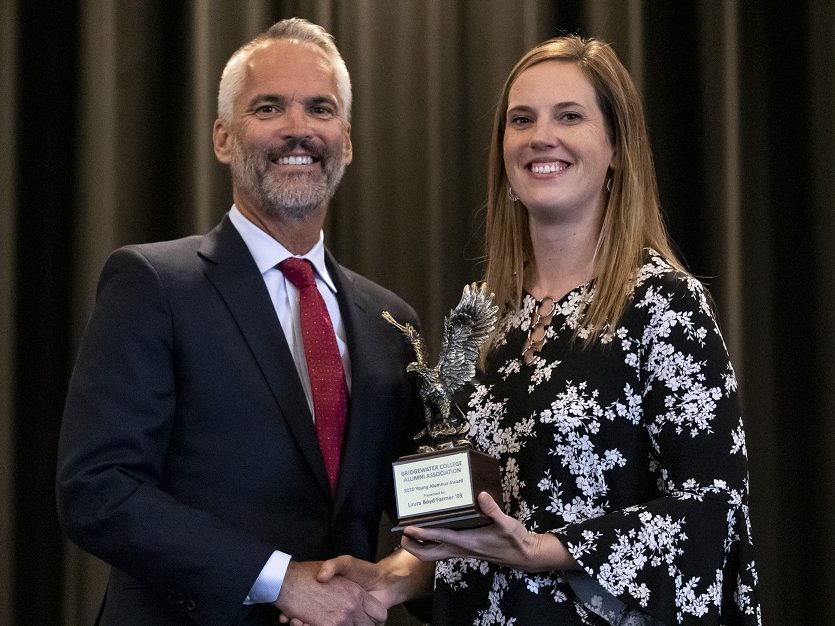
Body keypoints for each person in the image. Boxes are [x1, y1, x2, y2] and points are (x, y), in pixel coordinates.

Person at [310, 34, 761, 625]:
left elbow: (711, 513)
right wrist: (383, 583)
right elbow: (470, 530)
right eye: (521, 120)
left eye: (569, 116)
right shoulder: (487, 319)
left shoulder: (665, 305)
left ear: (617, 147)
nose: (539, 136)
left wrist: (543, 549)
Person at [56, 18, 423, 626]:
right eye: (269, 107)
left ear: (348, 141)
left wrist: (399, 577)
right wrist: (279, 580)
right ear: (223, 138)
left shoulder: (389, 321)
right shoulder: (152, 285)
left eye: (320, 108)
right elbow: (98, 488)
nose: (298, 129)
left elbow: (424, 504)